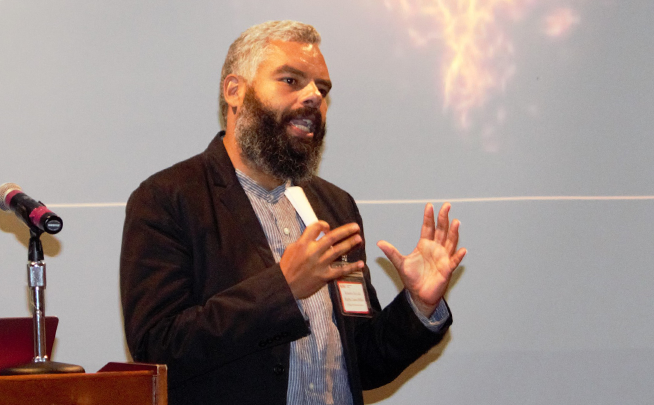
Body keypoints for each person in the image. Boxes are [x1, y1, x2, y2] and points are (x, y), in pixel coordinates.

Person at [120, 20, 466, 405]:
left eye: (322, 88)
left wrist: (418, 305)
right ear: (235, 91)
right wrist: (281, 289)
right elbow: (158, 348)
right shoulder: (169, 198)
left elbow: (362, 363)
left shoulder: (334, 206)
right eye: (290, 80)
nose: (314, 97)